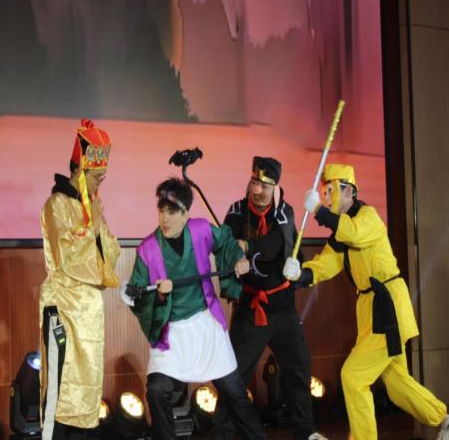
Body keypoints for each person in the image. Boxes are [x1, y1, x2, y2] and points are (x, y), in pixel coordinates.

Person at [283, 163, 449, 440]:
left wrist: (319, 212)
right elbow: (326, 264)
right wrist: (301, 273)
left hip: (387, 306)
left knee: (353, 376)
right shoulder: (341, 233)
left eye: (331, 190)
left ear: (349, 191)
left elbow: (354, 234)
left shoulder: (367, 217)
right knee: (396, 384)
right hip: (371, 310)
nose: (326, 197)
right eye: (324, 192)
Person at [124, 177, 266, 440]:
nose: (165, 218)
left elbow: (226, 241)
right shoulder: (147, 249)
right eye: (161, 211)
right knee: (156, 390)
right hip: (171, 333)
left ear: (186, 214)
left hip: (205, 322)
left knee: (234, 391)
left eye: (172, 212)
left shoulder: (200, 230)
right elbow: (137, 296)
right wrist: (160, 296)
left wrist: (238, 259)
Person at [212, 157, 326, 440]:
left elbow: (277, 245)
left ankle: (306, 432)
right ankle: (221, 434)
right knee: (233, 375)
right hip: (250, 309)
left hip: (282, 307)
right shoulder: (236, 212)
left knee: (299, 369)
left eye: (264, 185)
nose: (257, 190)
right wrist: (234, 255)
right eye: (254, 182)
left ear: (275, 186)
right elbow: (223, 246)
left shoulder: (284, 214)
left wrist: (248, 247)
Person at [39, 119, 121, 440]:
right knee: (59, 393)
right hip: (62, 309)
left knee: (86, 394)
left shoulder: (93, 207)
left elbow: (109, 254)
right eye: (97, 176)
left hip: (89, 314)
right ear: (80, 170)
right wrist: (91, 229)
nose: (101, 183)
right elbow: (68, 256)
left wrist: (96, 228)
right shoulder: (56, 205)